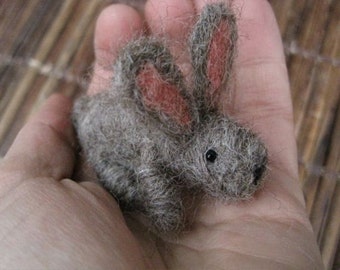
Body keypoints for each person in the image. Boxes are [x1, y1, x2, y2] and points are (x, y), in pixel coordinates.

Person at [0, 0, 324, 269]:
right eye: (211, 157)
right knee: (126, 184)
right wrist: (166, 213)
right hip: (102, 136)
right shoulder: (161, 143)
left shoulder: (199, 115)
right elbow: (148, 168)